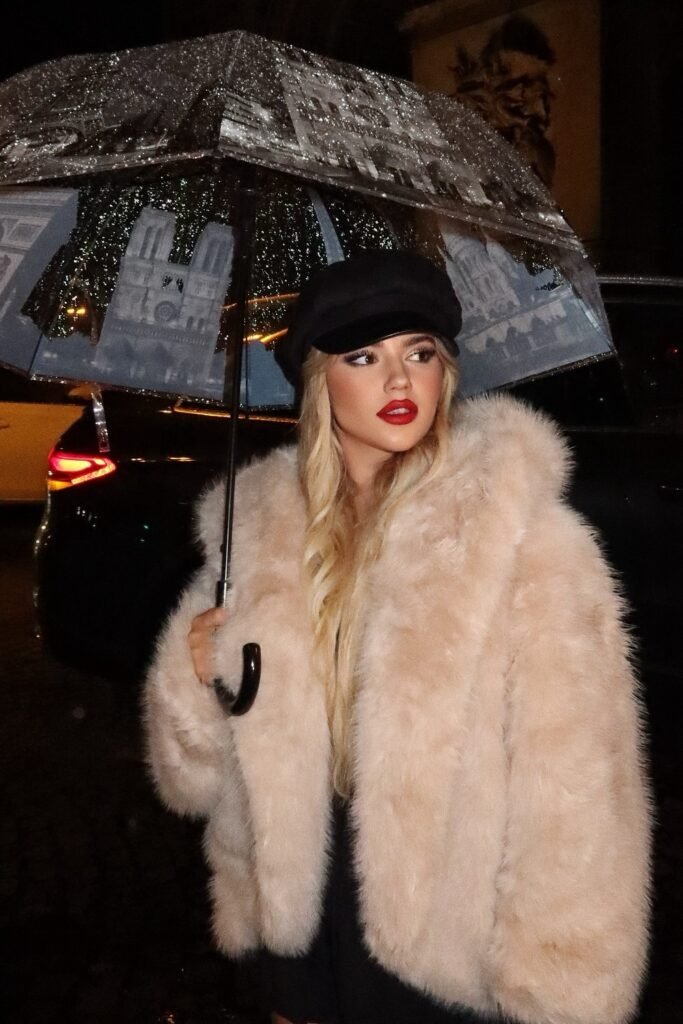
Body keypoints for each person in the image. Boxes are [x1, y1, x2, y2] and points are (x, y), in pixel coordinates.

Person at [144, 250, 652, 1024]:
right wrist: (193, 683)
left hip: (445, 931)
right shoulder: (261, 543)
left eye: (419, 353)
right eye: (362, 357)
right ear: (319, 381)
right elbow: (192, 783)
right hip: (303, 908)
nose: (398, 381)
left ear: (446, 371)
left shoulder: (524, 543)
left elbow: (577, 786)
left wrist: (561, 983)